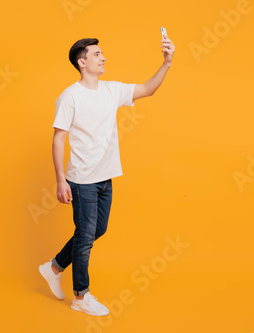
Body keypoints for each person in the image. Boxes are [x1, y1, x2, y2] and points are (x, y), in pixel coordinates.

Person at [39, 34, 175, 316]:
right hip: (81, 180)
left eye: (102, 54)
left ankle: (53, 267)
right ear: (82, 61)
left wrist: (167, 62)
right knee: (86, 236)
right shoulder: (70, 96)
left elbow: (148, 89)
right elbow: (57, 139)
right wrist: (60, 179)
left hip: (105, 176)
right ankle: (81, 296)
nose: (103, 58)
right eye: (97, 54)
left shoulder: (111, 90)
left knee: (96, 230)